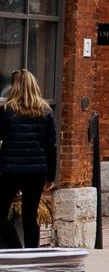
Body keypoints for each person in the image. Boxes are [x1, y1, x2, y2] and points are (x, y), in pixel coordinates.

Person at [0, 69, 58, 249]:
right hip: (37, 170)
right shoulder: (46, 112)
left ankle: (16, 248)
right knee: (30, 216)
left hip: (11, 169)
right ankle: (32, 254)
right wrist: (51, 176)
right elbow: (51, 146)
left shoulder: (7, 111)